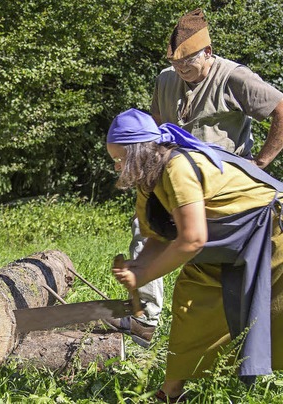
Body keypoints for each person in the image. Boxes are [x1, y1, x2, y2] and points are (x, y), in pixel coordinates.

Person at [109, 8, 283, 347]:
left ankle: (240, 337)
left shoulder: (234, 77)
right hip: (171, 178)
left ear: (208, 52)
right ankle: (145, 319)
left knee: (209, 259)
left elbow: (280, 110)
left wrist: (261, 161)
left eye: (187, 61)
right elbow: (154, 129)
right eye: (175, 62)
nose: (181, 68)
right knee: (144, 232)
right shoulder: (165, 79)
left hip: (221, 189)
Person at [107, 109, 283, 403]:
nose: (116, 169)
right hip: (228, 241)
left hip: (271, 233)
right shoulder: (148, 182)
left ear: (137, 152)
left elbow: (192, 240)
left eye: (119, 160)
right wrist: (137, 265)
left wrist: (143, 274)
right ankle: (172, 392)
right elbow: (156, 236)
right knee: (190, 303)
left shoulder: (178, 169)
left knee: (277, 308)